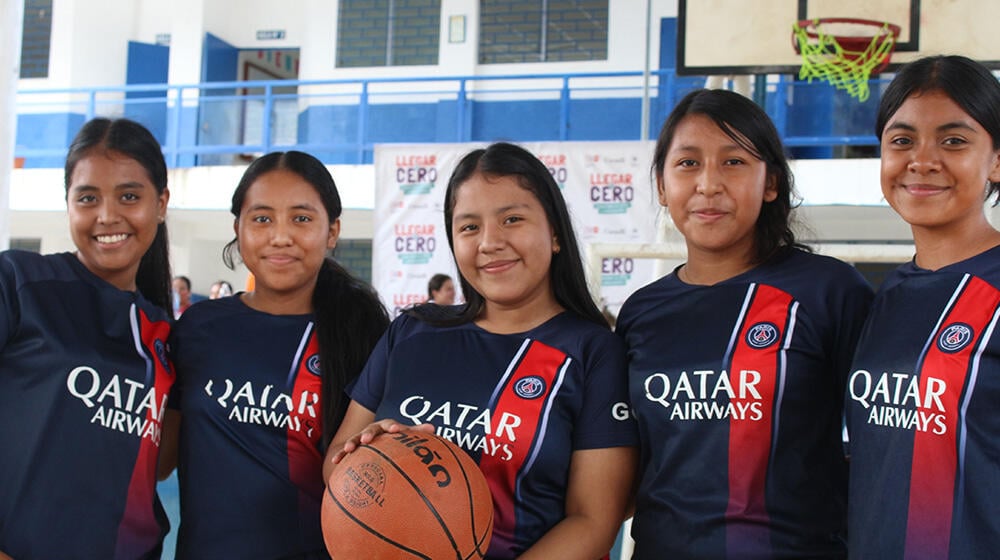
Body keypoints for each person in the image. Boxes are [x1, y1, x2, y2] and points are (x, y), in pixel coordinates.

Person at [325, 142, 638, 559]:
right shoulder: (413, 331)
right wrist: (365, 454)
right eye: (469, 227)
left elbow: (594, 521)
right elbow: (336, 467)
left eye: (512, 219)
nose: (490, 242)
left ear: (556, 233)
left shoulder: (592, 351)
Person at [615, 89, 873, 558]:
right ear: (660, 185)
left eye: (733, 162)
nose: (708, 184)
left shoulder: (830, 292)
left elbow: (886, 444)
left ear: (771, 182)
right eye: (688, 163)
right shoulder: (640, 312)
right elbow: (626, 467)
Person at [158, 151, 389, 559]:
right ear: (238, 228)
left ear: (332, 230)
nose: (280, 236)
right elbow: (159, 461)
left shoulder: (364, 339)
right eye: (262, 218)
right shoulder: (198, 328)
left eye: (301, 218)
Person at [845, 55, 1000, 559]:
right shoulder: (884, 296)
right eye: (902, 140)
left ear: (996, 159)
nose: (922, 160)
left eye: (953, 141)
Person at [0, 117, 173, 558]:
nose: (107, 215)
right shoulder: (20, 282)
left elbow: (160, 463)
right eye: (88, 198)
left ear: (161, 203)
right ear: (68, 204)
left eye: (129, 196)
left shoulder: (168, 338)